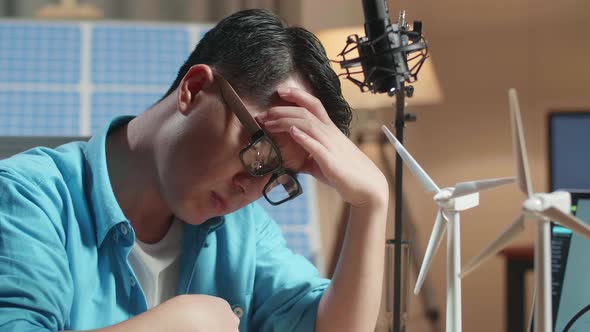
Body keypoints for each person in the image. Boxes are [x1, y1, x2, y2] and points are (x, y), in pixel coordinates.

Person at [0, 9, 388, 332]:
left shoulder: (244, 232)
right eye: (259, 154)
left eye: (274, 178)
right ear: (195, 88)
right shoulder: (28, 198)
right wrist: (173, 325)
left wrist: (370, 205)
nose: (248, 191)